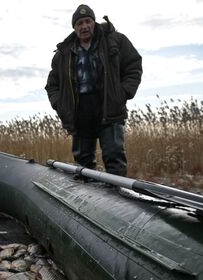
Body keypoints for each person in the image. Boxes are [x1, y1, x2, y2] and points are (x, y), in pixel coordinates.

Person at [45, 4, 142, 178]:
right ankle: (87, 200)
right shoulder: (63, 54)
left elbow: (133, 66)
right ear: (74, 28)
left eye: (87, 21)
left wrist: (122, 93)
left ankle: (118, 198)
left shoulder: (115, 40)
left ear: (94, 22)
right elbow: (52, 85)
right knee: (83, 163)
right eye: (79, 23)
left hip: (110, 108)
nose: (84, 26)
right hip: (80, 113)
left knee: (114, 157)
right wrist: (61, 106)